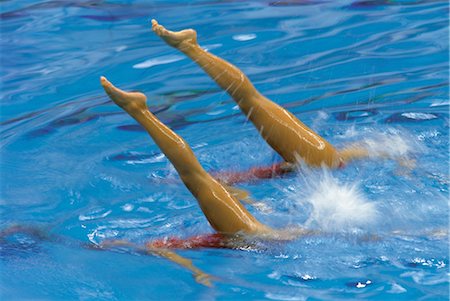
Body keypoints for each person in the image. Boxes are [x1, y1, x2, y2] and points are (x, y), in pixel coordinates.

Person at [99, 77, 307, 286]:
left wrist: (197, 272)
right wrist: (198, 273)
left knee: (194, 175)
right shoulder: (166, 245)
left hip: (250, 236)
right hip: (250, 235)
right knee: (194, 175)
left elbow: (174, 255)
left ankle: (139, 110)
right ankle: (139, 110)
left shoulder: (160, 246)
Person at [150, 20, 376, 183]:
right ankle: (191, 47)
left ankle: (191, 48)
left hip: (319, 163)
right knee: (249, 100)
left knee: (249, 100)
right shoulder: (328, 165)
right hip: (323, 162)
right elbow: (388, 148)